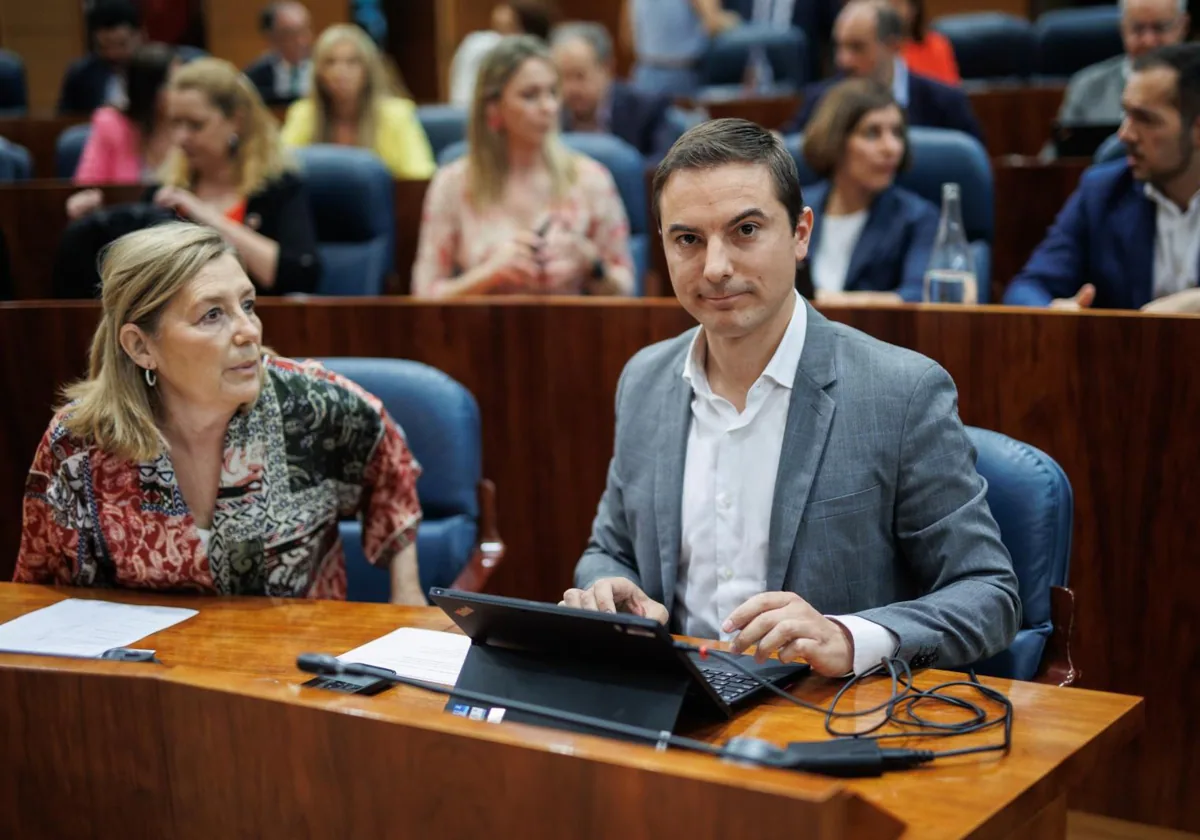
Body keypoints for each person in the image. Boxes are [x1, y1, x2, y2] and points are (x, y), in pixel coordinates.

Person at [562, 118, 1019, 677]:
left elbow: (990, 594)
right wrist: (611, 589)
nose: (715, 268)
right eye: (688, 239)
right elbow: (607, 550)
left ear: (802, 234)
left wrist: (850, 638)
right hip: (672, 704)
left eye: (746, 230)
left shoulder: (901, 392)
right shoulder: (645, 380)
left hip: (823, 720)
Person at [15, 222, 424, 604]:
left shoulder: (313, 406)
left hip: (294, 666)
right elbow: (37, 592)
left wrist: (408, 597)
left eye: (248, 305)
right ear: (141, 347)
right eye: (212, 314)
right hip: (143, 674)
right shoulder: (78, 445)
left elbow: (390, 463)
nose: (249, 331)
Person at [412, 36, 634, 299]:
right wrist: (488, 274)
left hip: (573, 333)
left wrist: (591, 264)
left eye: (553, 92)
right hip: (483, 333)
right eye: (530, 95)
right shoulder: (452, 183)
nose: (549, 107)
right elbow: (424, 296)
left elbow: (627, 289)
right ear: (493, 107)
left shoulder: (591, 179)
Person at [76, 58, 321, 295]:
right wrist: (94, 226)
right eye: (175, 123)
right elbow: (135, 282)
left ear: (236, 121)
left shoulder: (279, 185)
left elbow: (299, 276)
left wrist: (206, 215)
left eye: (195, 125)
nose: (181, 137)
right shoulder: (164, 192)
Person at [1005, 44, 1200, 313]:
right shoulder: (1103, 192)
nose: (1125, 134)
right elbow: (1027, 288)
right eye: (1126, 114)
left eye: (1145, 119)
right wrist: (1053, 311)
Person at [801, 79, 938, 303]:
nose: (891, 148)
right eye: (872, 133)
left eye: (897, 133)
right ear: (835, 140)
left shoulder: (917, 218)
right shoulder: (795, 208)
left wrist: (823, 302)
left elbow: (917, 298)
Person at [784, 0, 981, 142]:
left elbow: (973, 175)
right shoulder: (819, 99)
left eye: (856, 47)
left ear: (893, 46)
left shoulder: (945, 102)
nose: (843, 60)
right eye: (839, 46)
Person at [281, 24, 435, 179]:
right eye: (330, 62)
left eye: (352, 62)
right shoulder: (303, 114)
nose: (340, 72)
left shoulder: (396, 115)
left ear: (368, 70)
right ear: (318, 73)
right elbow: (281, 170)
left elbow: (420, 177)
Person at [550, 22, 680, 164]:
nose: (570, 88)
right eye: (561, 77)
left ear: (608, 68)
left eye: (579, 76)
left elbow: (663, 168)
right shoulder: (549, 113)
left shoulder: (647, 109)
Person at [1055, 0, 1188, 127]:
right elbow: (1058, 149)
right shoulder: (1087, 87)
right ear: (1122, 28)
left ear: (1183, 25)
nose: (1148, 41)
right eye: (1138, 28)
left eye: (1160, 28)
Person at [72, 43, 178, 186]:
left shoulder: (189, 127)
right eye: (175, 85)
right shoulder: (111, 125)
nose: (183, 93)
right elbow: (87, 185)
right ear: (149, 90)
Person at [622, 0, 740, 97]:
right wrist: (735, 21)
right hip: (682, 76)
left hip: (645, 74)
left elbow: (627, 39)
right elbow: (713, 24)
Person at [449, 2, 554, 109]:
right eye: (497, 30)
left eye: (508, 29)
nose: (498, 39)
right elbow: (461, 103)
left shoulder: (549, 62)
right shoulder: (479, 50)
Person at [58, 0, 143, 114]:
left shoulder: (156, 70)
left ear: (139, 36)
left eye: (121, 44)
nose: (113, 54)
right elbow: (64, 120)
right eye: (104, 47)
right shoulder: (81, 75)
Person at [244, 2, 314, 107]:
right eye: (290, 34)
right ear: (272, 38)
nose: (301, 40)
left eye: (304, 30)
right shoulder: (254, 78)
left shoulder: (324, 70)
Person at [887, 0, 960, 85]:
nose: (889, 11)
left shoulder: (936, 46)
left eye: (897, 4)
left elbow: (950, 93)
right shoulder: (875, 50)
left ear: (914, 9)